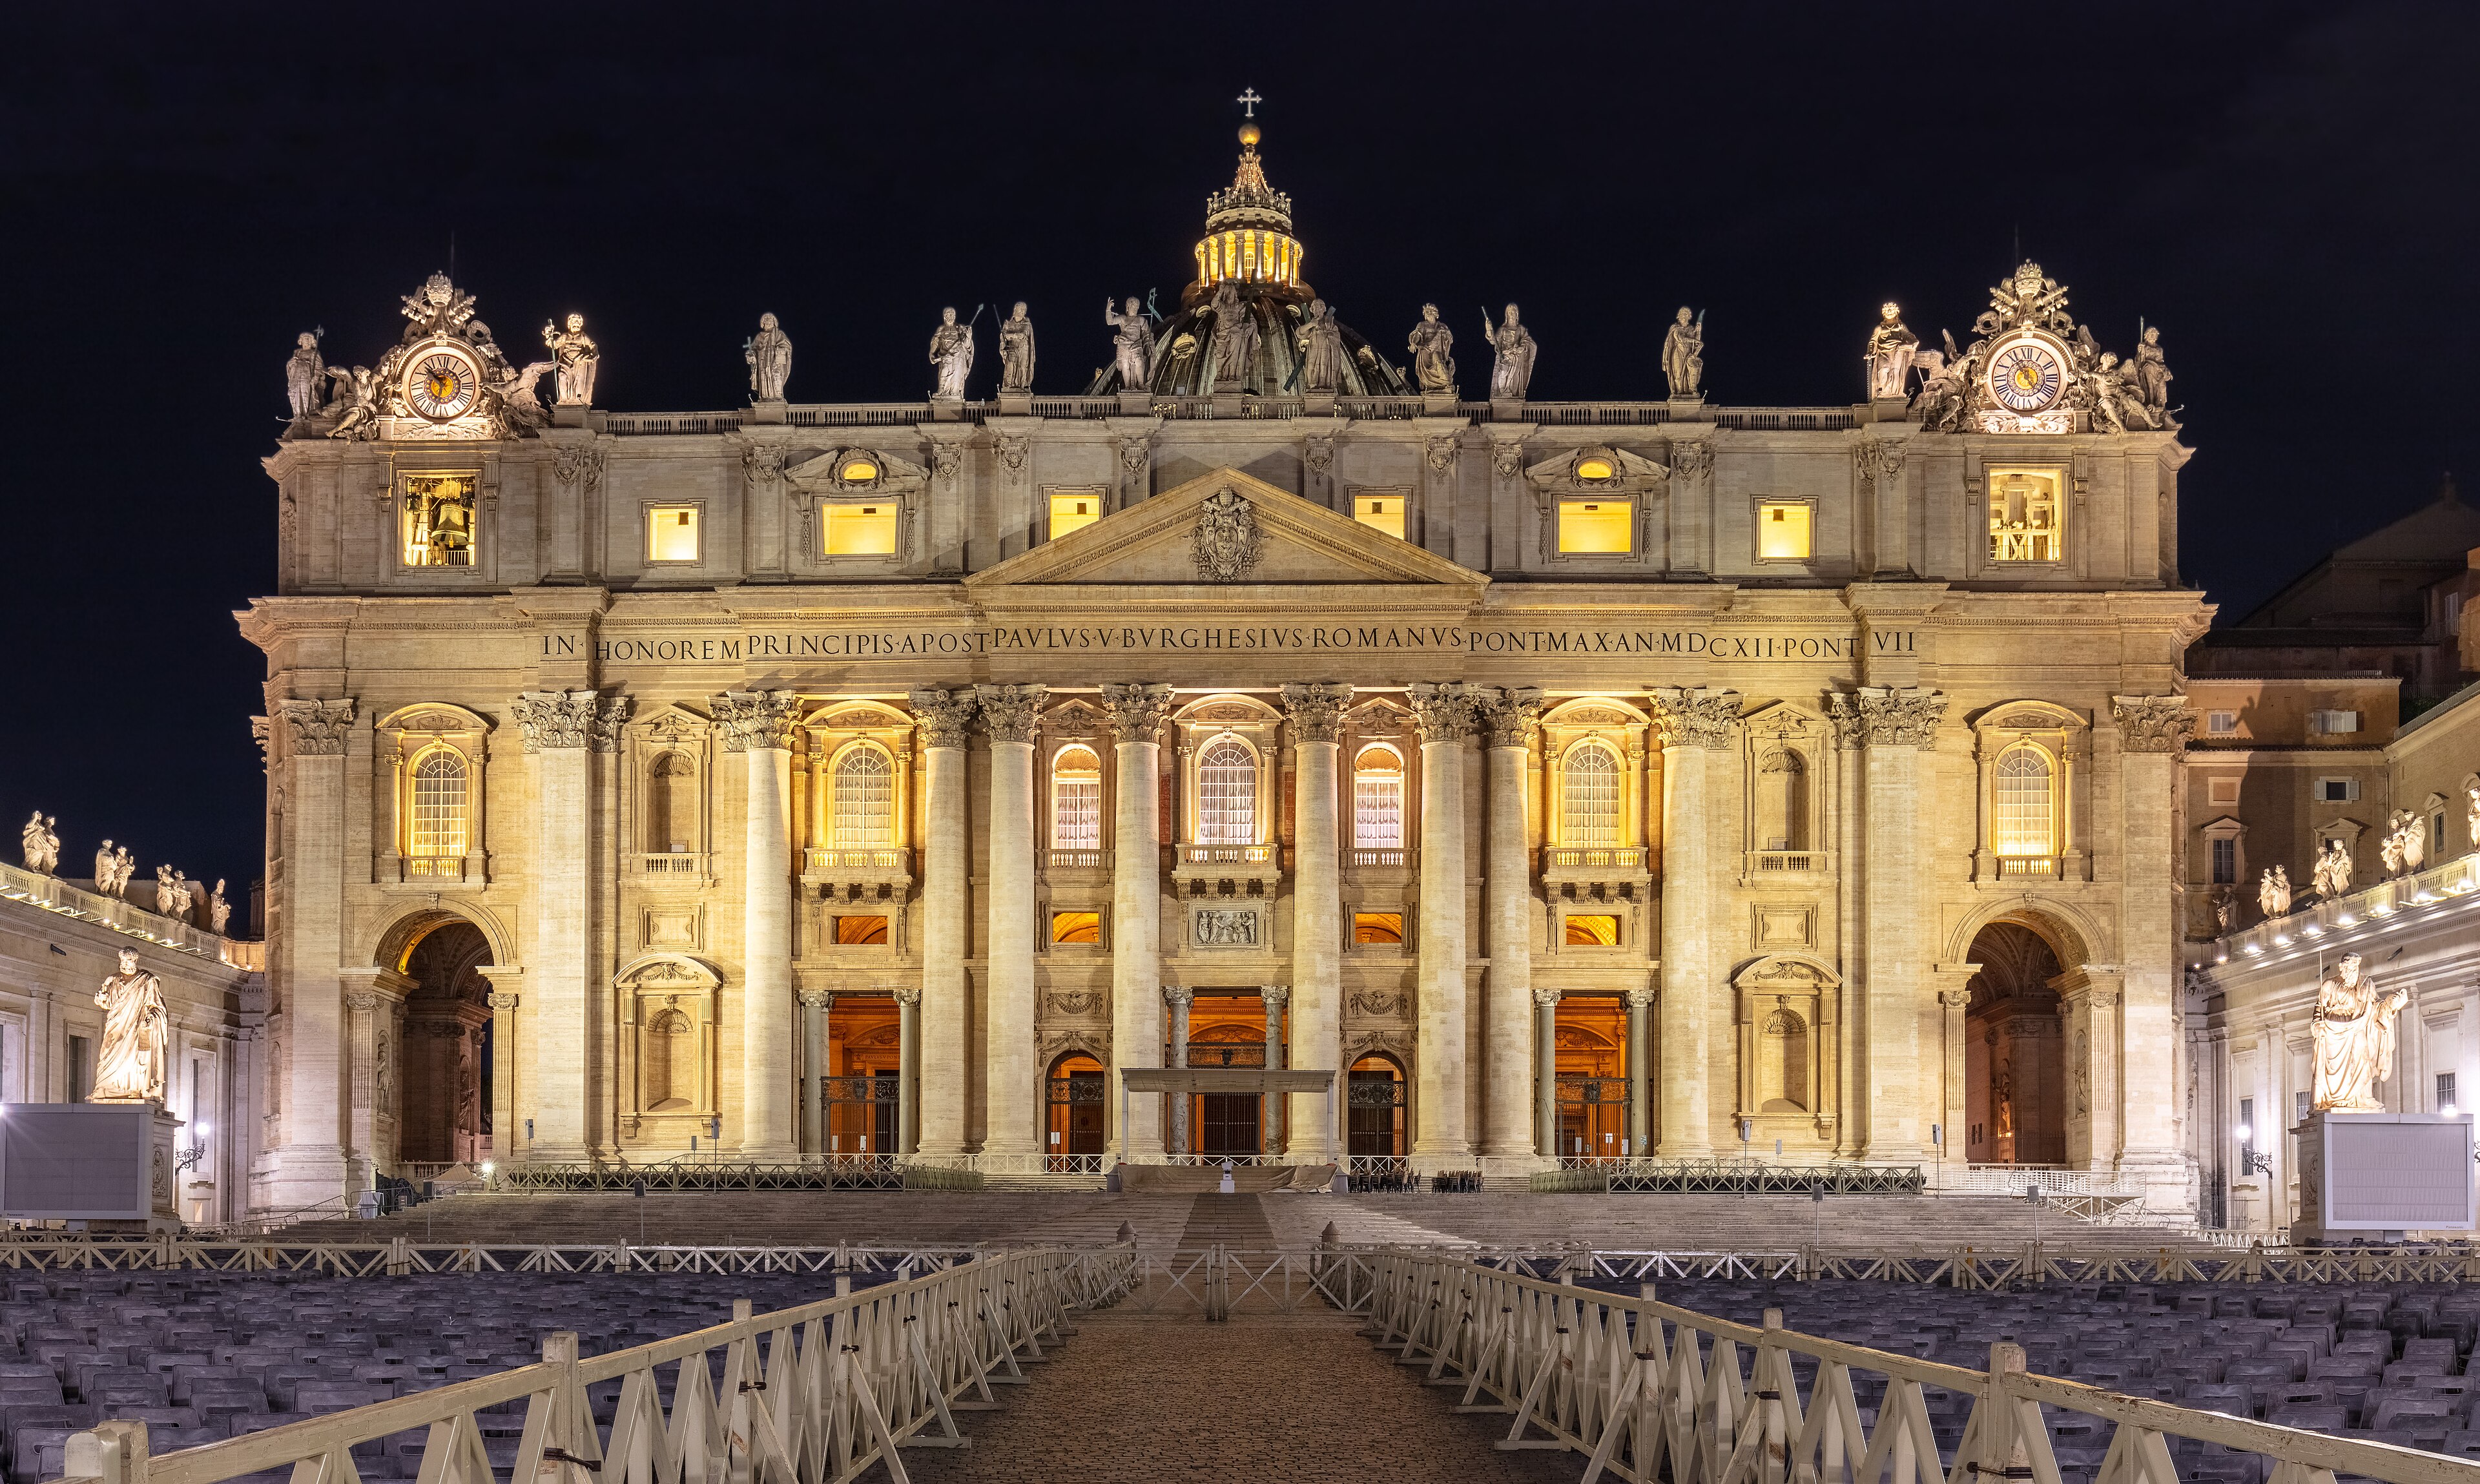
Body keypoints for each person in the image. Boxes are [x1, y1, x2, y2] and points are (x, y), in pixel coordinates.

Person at [2310, 953, 2407, 1112]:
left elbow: (2375, 1007)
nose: (2354, 971)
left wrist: (2390, 1005)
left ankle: (2363, 1097)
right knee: (2332, 1063)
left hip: (2357, 1027)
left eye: (2356, 967)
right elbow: (2319, 1009)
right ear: (2342, 968)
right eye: (2350, 967)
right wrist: (2316, 1026)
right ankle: (2336, 1099)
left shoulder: (2366, 985)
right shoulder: (2329, 985)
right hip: (2333, 1031)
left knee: (2364, 1055)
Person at [92, 948, 167, 1103]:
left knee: (134, 1056)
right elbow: (105, 1002)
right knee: (107, 1052)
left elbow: (158, 1007)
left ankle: (133, 1088)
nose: (125, 964)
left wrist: (151, 1019)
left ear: (135, 961)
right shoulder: (112, 980)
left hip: (136, 1028)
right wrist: (100, 999)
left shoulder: (147, 980)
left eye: (129, 961)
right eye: (123, 961)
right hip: (116, 1025)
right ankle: (108, 1087)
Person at [1105, 296, 1155, 390]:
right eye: (1134, 305)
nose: (1136, 307)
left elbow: (1146, 333)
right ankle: (1128, 386)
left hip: (1136, 344)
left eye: (1137, 306)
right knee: (1125, 365)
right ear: (1128, 306)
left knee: (1140, 362)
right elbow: (1110, 322)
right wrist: (1108, 310)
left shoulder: (1141, 319)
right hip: (1124, 344)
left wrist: (1148, 345)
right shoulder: (1123, 318)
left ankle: (1140, 384)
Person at [997, 302, 1035, 393]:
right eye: (1020, 309)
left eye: (1024, 309)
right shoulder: (1008, 323)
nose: (1022, 311)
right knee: (1010, 365)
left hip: (1024, 348)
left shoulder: (1027, 324)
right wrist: (1008, 336)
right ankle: (1009, 386)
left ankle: (1021, 386)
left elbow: (1023, 335)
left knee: (1022, 367)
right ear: (1015, 310)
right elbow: (1004, 336)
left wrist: (1011, 335)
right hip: (1012, 349)